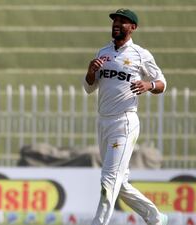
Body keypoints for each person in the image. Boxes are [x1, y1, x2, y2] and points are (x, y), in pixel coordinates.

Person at [83, 9, 168, 225]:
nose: (116, 24)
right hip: (103, 121)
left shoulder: (141, 54)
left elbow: (162, 83)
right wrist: (91, 72)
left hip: (125, 121)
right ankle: (156, 218)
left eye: (122, 21)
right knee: (119, 184)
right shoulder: (103, 52)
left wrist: (148, 85)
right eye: (115, 21)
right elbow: (88, 88)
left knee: (108, 180)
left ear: (133, 28)